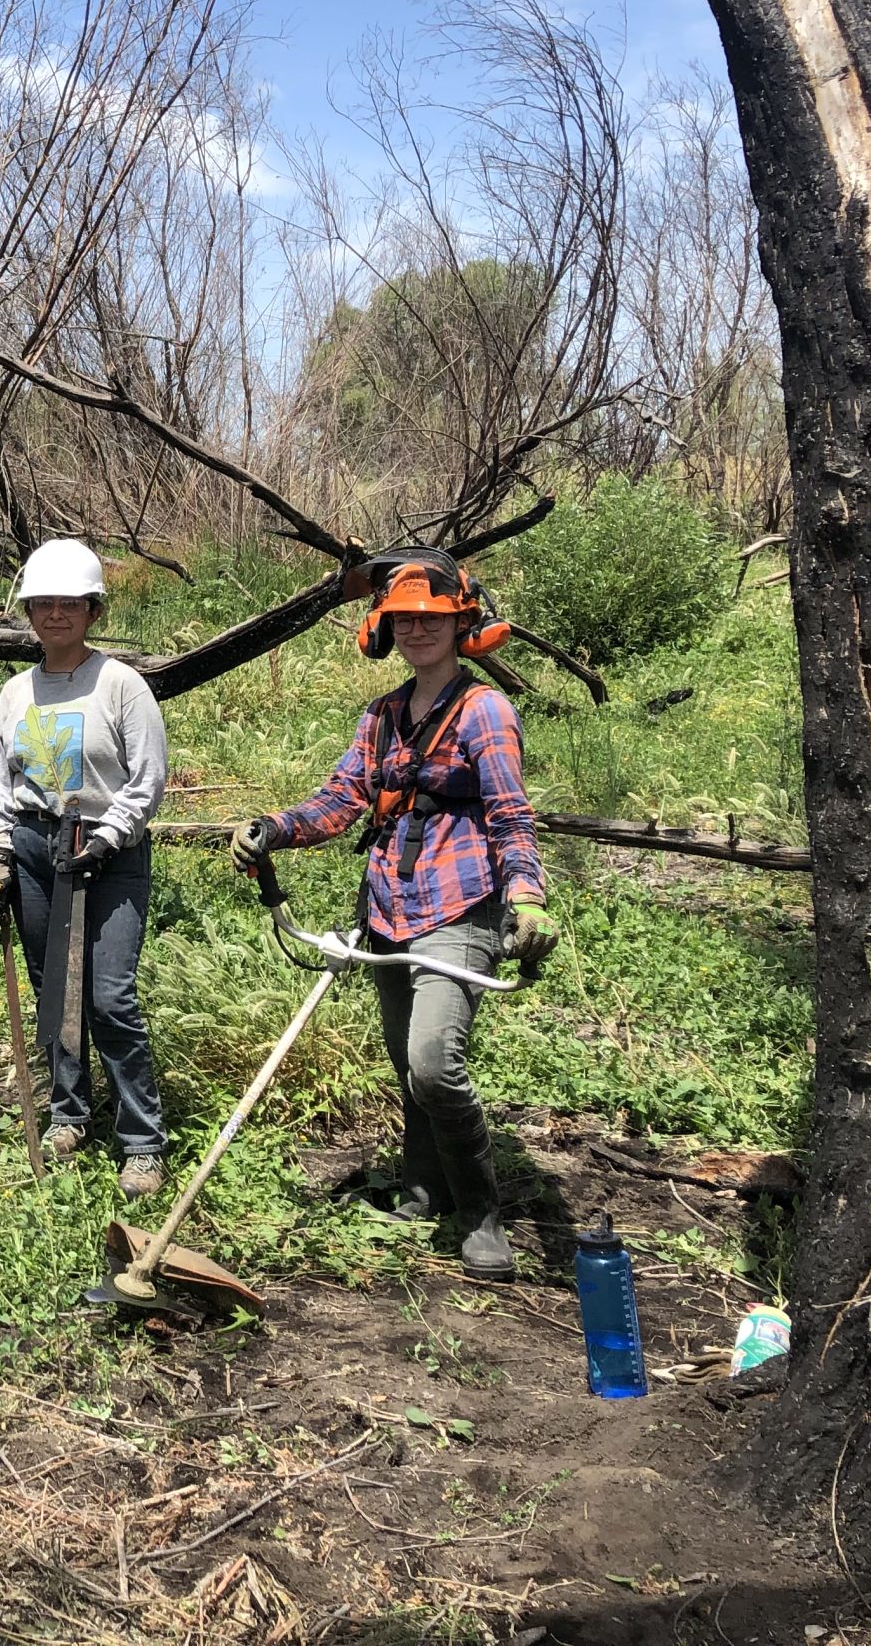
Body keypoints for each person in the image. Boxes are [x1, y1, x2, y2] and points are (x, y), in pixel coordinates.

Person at [230, 548, 558, 1280]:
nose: (419, 629)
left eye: (433, 617)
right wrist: (276, 827)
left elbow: (508, 813)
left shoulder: (485, 710)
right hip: (387, 905)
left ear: (462, 622)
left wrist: (527, 895)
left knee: (435, 1063)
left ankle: (480, 1214)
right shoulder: (380, 716)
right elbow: (341, 800)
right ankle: (421, 1190)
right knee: (407, 1061)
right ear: (386, 628)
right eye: (406, 618)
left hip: (458, 905)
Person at [0, 539, 171, 1195]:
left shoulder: (120, 685)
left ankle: (141, 1143)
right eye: (44, 604)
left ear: (91, 610)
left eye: (70, 604)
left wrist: (111, 837)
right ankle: (68, 1113)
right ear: (29, 612)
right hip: (35, 849)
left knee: (108, 996)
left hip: (106, 853)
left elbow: (146, 781)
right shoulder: (15, 693)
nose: (56, 615)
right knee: (55, 990)